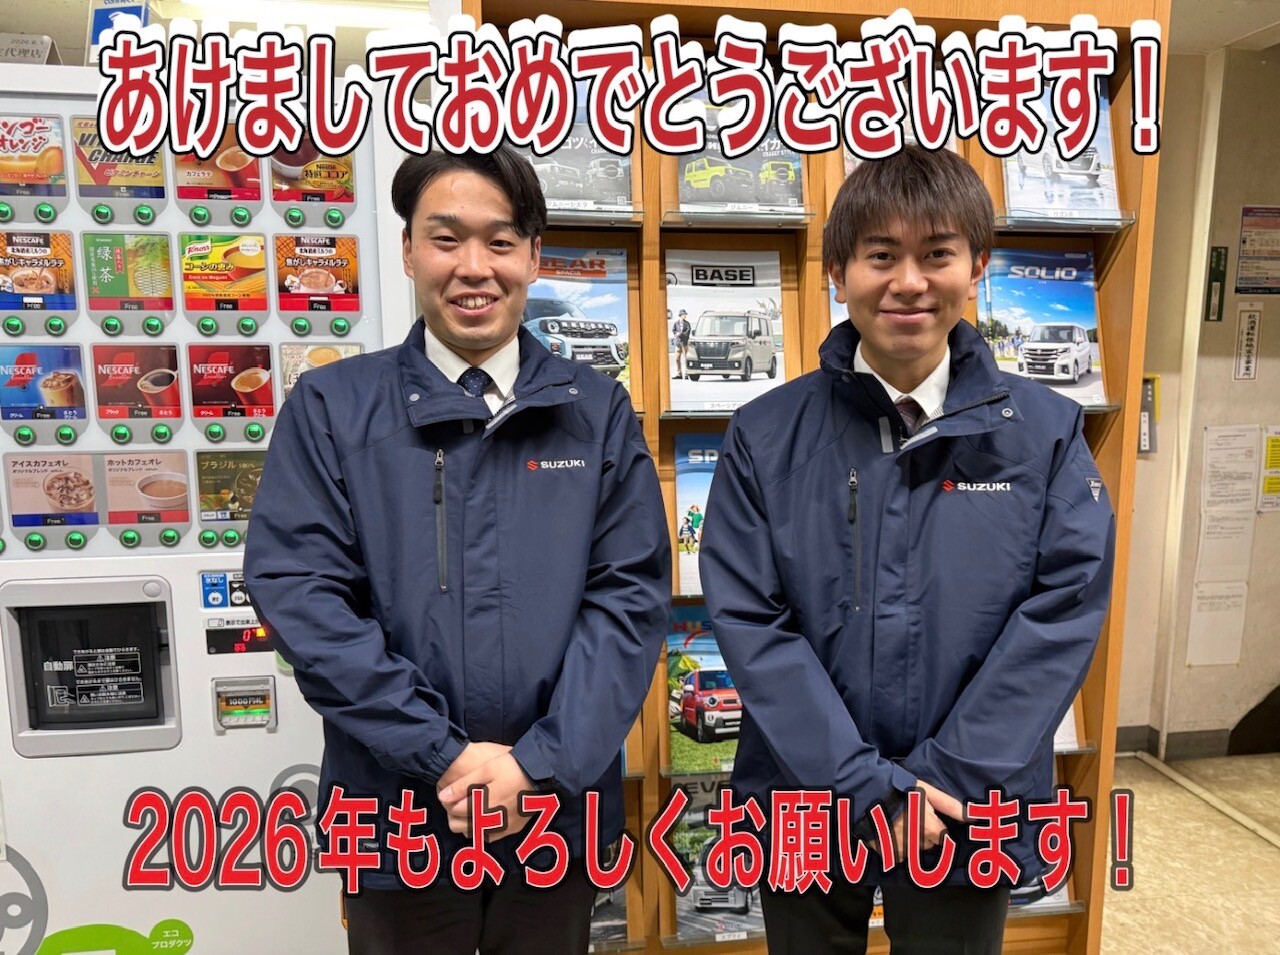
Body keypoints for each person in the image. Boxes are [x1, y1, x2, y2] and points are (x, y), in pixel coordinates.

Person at [244, 145, 670, 955]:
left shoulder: (596, 412)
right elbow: (303, 596)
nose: (475, 267)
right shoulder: (333, 406)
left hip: (553, 811)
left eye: (500, 241)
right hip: (393, 811)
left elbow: (629, 603)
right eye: (446, 239)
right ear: (408, 250)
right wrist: (441, 755)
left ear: (534, 257)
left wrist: (535, 764)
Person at [699, 144, 1116, 954]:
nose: (910, 282)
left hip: (967, 799)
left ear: (978, 265)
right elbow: (750, 620)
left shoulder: (1045, 435)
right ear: (837, 271)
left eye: (938, 255)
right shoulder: (764, 435)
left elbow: (1065, 612)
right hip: (808, 789)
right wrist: (861, 784)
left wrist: (947, 777)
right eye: (881, 255)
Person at [672, 308, 693, 378]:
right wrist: (676, 333)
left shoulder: (687, 324)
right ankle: (679, 374)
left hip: (684, 343)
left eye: (685, 314)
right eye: (684, 314)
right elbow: (673, 330)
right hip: (678, 343)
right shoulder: (676, 323)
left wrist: (680, 334)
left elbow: (687, 333)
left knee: (686, 359)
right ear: (680, 315)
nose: (685, 316)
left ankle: (687, 373)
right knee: (677, 358)